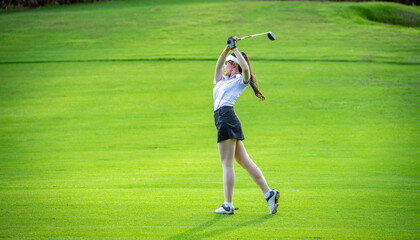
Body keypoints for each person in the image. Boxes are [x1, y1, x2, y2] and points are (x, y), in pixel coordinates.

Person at [213, 36, 279, 215]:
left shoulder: (239, 80)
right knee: (244, 161)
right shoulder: (221, 81)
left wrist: (235, 50)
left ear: (234, 65)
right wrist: (227, 48)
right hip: (223, 119)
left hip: (226, 118)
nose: (224, 66)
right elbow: (218, 65)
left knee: (227, 164)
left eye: (228, 64)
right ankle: (269, 194)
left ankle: (228, 204)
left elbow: (247, 71)